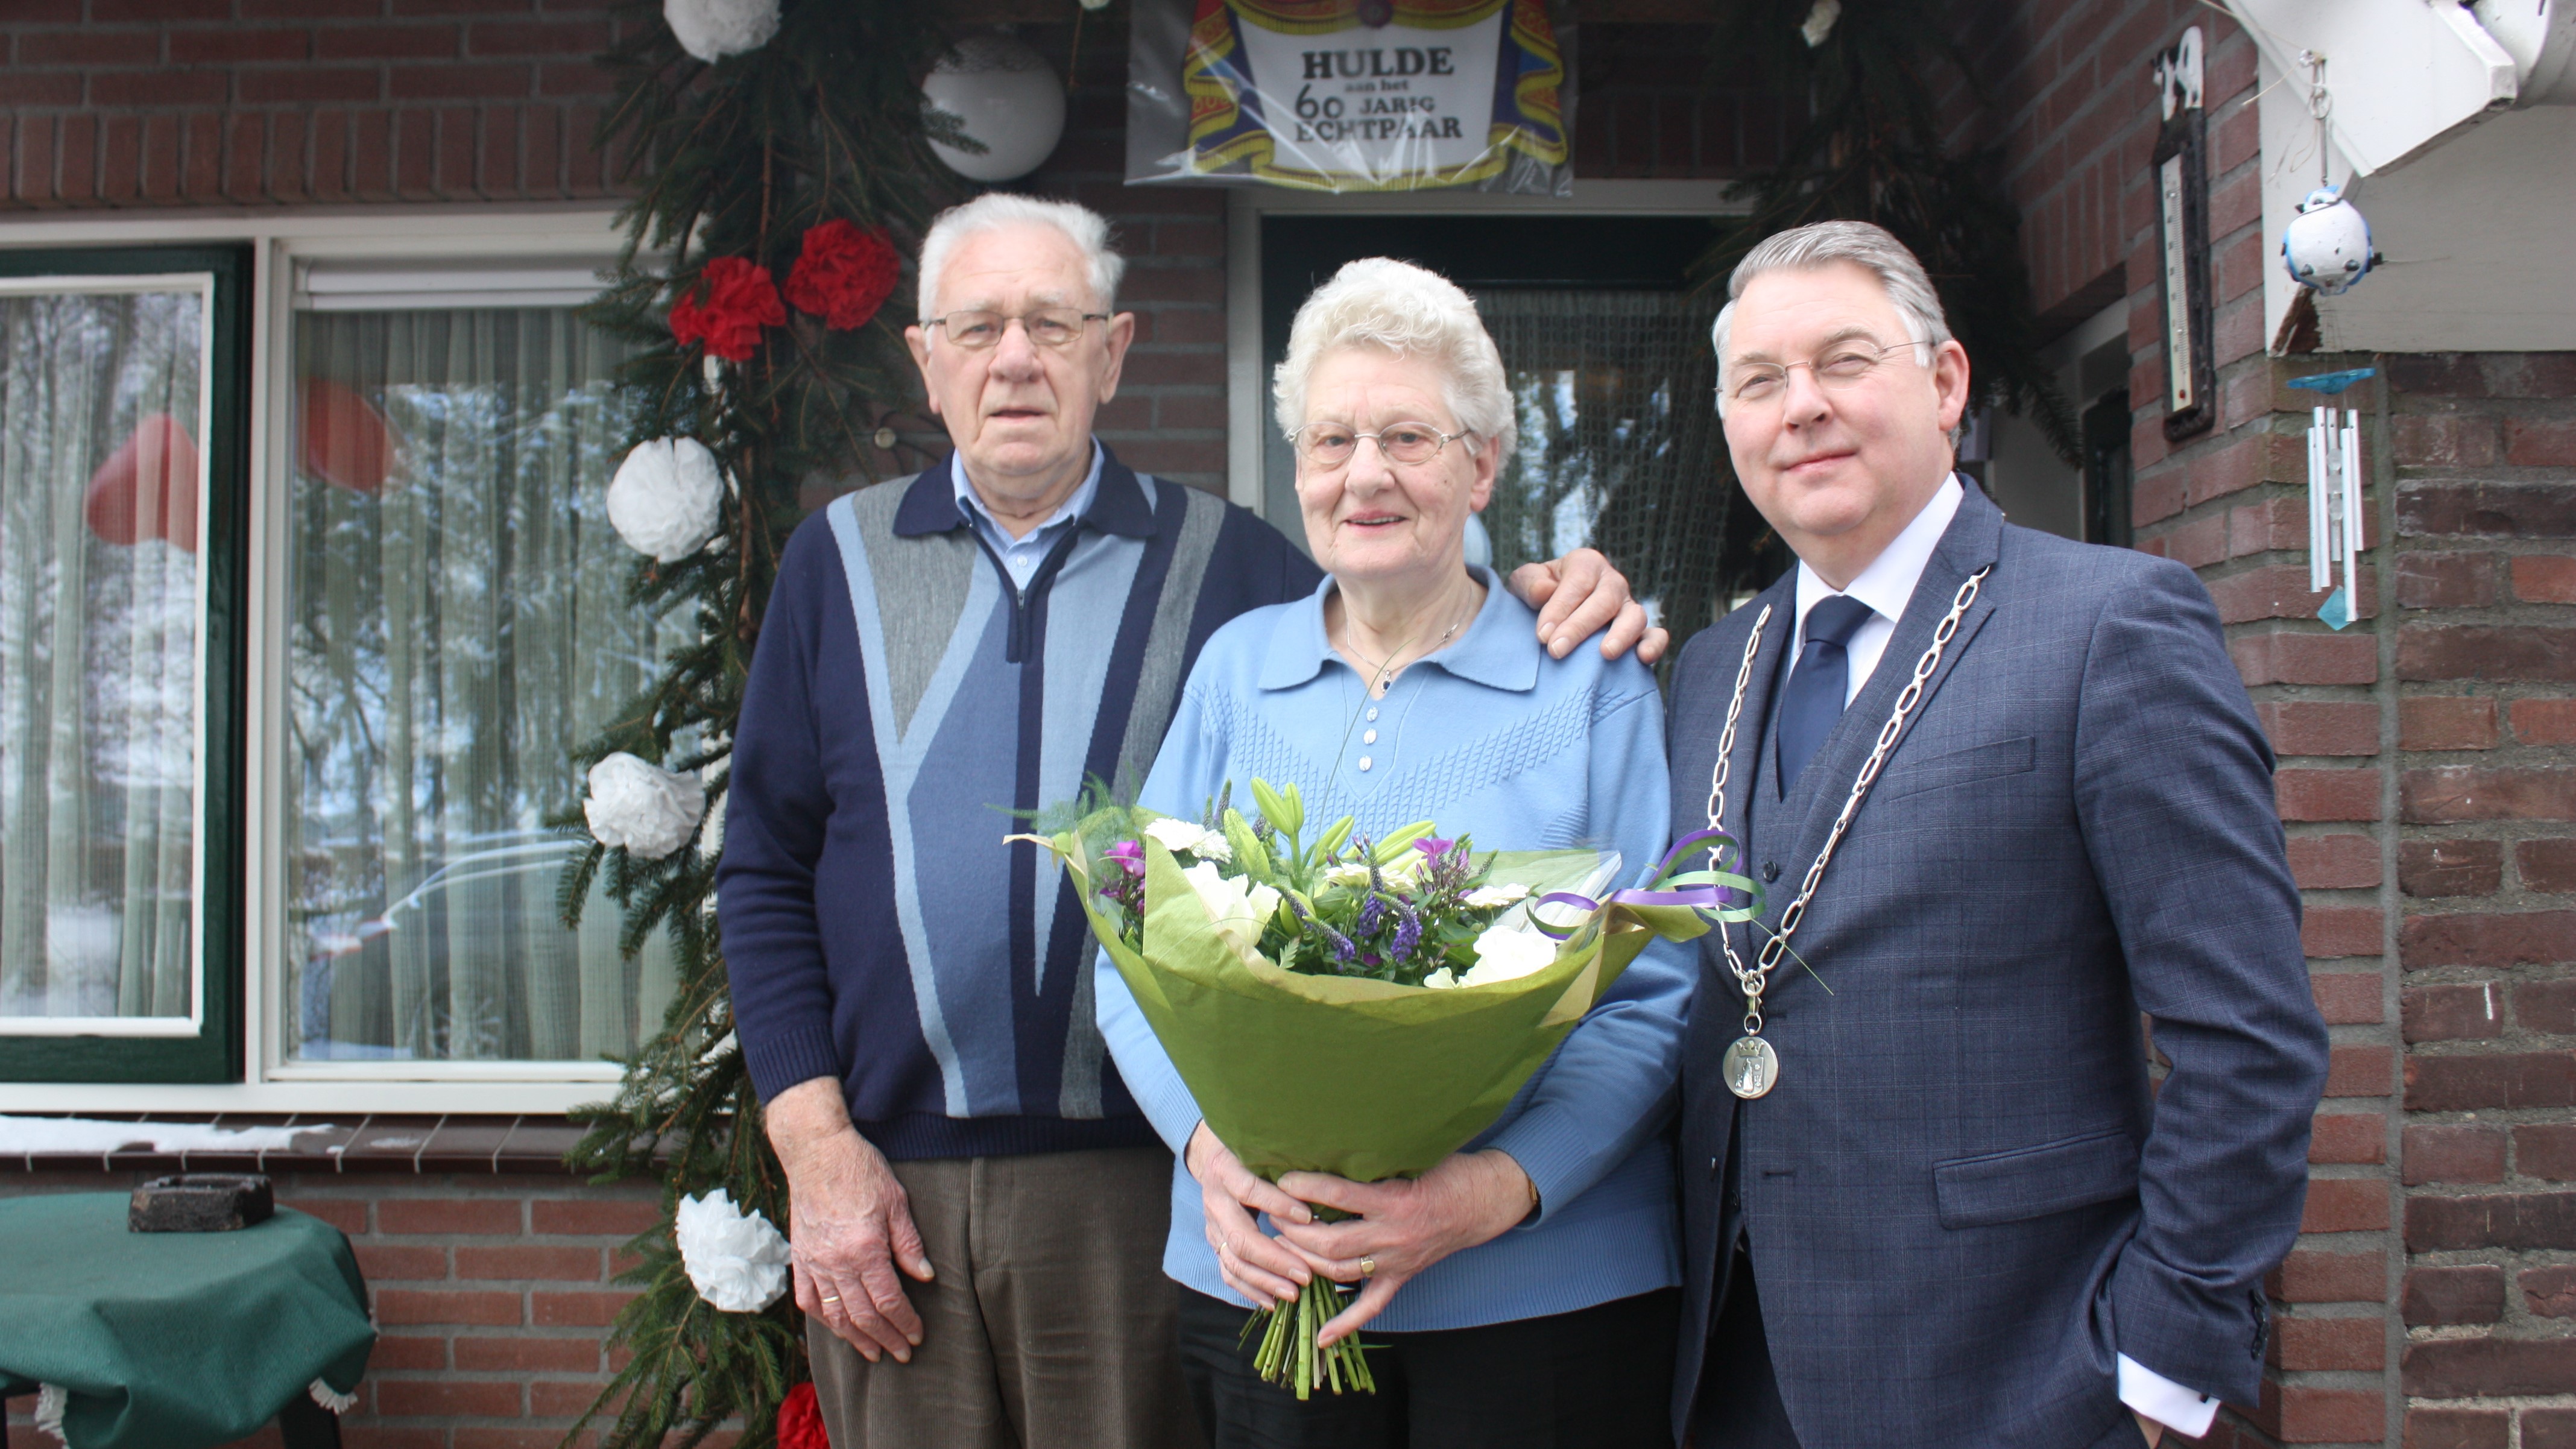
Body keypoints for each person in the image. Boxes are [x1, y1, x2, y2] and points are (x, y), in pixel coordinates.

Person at [717, 195, 1664, 1449]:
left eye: (1052, 323)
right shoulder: (842, 566)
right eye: (980, 325)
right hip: (997, 1194)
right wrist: (817, 1136)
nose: (1015, 357)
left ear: (1113, 351)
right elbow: (789, 870)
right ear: (924, 356)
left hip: (1222, 1218)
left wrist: (1562, 581)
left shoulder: (1239, 570)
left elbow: (1417, 586)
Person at [1664, 219, 2330, 1449]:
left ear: (1946, 382)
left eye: (1843, 361)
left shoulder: (2109, 629)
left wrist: (2163, 1364)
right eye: (1760, 381)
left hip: (2020, 1377)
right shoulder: (1713, 666)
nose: (1799, 407)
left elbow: (2248, 1035)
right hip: (1739, 1368)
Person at [1095, 257, 1695, 1449]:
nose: (1364, 473)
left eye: (1408, 437)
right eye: (1332, 441)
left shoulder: (1590, 679)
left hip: (1542, 1298)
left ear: (1482, 466)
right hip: (1266, 1279)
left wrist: (1484, 1193)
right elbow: (1133, 951)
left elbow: (1656, 995)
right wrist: (1212, 1154)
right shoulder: (1233, 670)